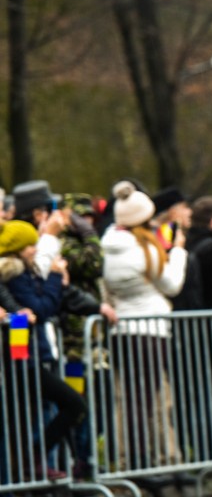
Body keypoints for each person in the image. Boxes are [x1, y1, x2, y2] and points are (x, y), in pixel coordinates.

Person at [101, 180, 189, 471]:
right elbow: (173, 284)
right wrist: (177, 252)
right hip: (150, 332)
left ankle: (132, 460)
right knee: (147, 399)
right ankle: (146, 461)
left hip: (122, 332)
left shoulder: (108, 247)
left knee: (128, 399)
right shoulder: (144, 251)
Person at [0, 220, 87, 480]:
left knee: (61, 407)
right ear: (18, 249)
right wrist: (56, 278)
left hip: (31, 356)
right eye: (30, 245)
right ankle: (30, 465)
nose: (35, 250)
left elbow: (27, 314)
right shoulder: (13, 275)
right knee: (70, 404)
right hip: (20, 360)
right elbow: (35, 311)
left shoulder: (25, 273)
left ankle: (34, 464)